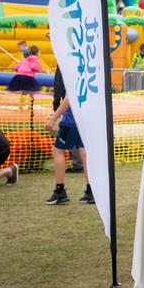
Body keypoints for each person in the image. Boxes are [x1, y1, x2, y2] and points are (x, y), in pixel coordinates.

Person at [44, 76, 93, 205]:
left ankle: (60, 191)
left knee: (57, 150)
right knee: (83, 151)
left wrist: (54, 117)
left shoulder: (73, 71)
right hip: (85, 119)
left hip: (71, 121)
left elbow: (69, 98)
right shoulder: (88, 69)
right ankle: (91, 191)